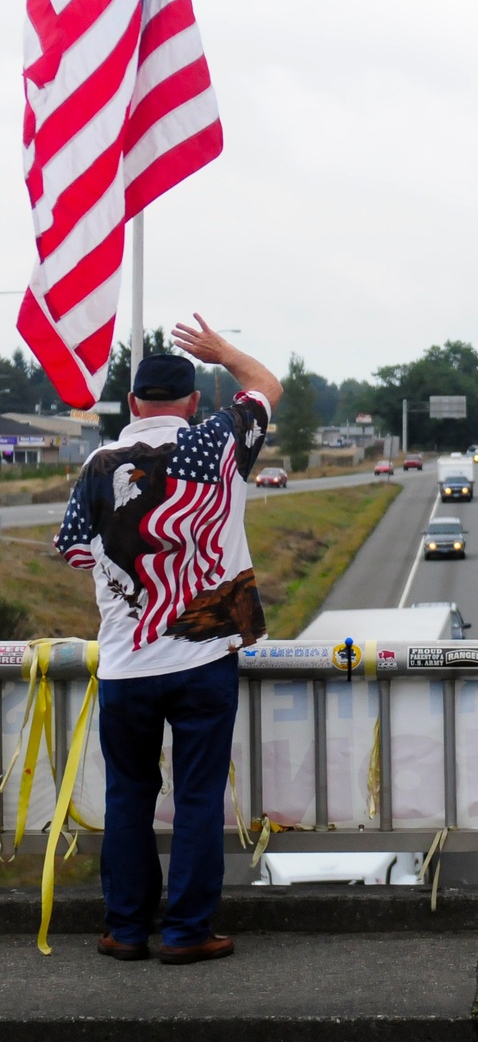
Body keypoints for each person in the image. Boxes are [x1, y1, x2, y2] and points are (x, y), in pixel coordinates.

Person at [55, 316, 282, 965]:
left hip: (127, 661)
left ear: (131, 405)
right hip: (205, 652)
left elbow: (75, 553)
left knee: (129, 796)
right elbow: (266, 383)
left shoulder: (99, 466)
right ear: (192, 402)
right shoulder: (220, 440)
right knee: (199, 796)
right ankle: (187, 931)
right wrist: (222, 351)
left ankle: (125, 928)